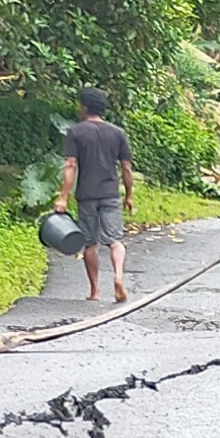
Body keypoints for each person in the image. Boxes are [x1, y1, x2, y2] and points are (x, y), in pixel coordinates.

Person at [52, 88, 136, 304]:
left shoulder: (76, 132)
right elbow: (126, 168)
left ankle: (95, 292)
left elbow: (70, 165)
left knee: (90, 244)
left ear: (85, 107)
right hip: (110, 194)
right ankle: (118, 276)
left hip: (87, 195)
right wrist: (129, 195)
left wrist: (63, 197)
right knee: (115, 240)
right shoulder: (117, 133)